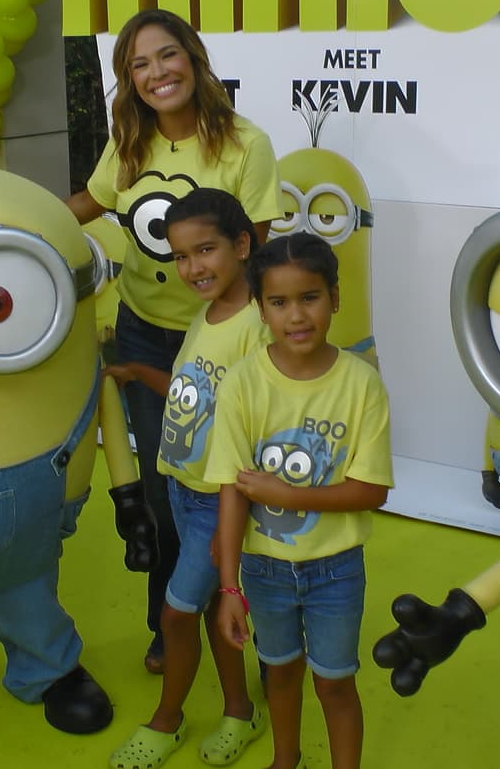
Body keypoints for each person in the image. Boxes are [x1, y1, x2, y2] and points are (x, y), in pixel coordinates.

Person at [66, 8, 281, 674]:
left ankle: (254, 614)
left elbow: (260, 251)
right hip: (145, 336)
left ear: (193, 56)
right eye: (138, 63)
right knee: (164, 495)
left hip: (222, 341)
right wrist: (16, 217)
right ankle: (171, 620)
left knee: (235, 485)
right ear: (128, 80)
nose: (156, 72)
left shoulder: (246, 143)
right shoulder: (128, 143)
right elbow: (91, 203)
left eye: (166, 55)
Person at [208, 233, 394, 769]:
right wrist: (228, 587)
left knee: (335, 685)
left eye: (310, 297)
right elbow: (231, 488)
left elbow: (372, 490)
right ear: (259, 308)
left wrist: (286, 493)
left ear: (335, 297)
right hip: (263, 570)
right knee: (280, 674)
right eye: (279, 302)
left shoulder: (362, 384)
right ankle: (284, 761)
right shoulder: (243, 383)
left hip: (336, 571)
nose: (297, 316)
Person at [107, 189, 270, 769]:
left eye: (206, 250)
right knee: (204, 610)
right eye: (180, 256)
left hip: (217, 501)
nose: (193, 268)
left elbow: (260, 423)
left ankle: (166, 719)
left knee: (176, 614)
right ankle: (239, 711)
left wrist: (236, 507)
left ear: (243, 245)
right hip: (183, 488)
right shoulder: (207, 313)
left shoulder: (257, 325)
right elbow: (191, 392)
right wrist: (135, 372)